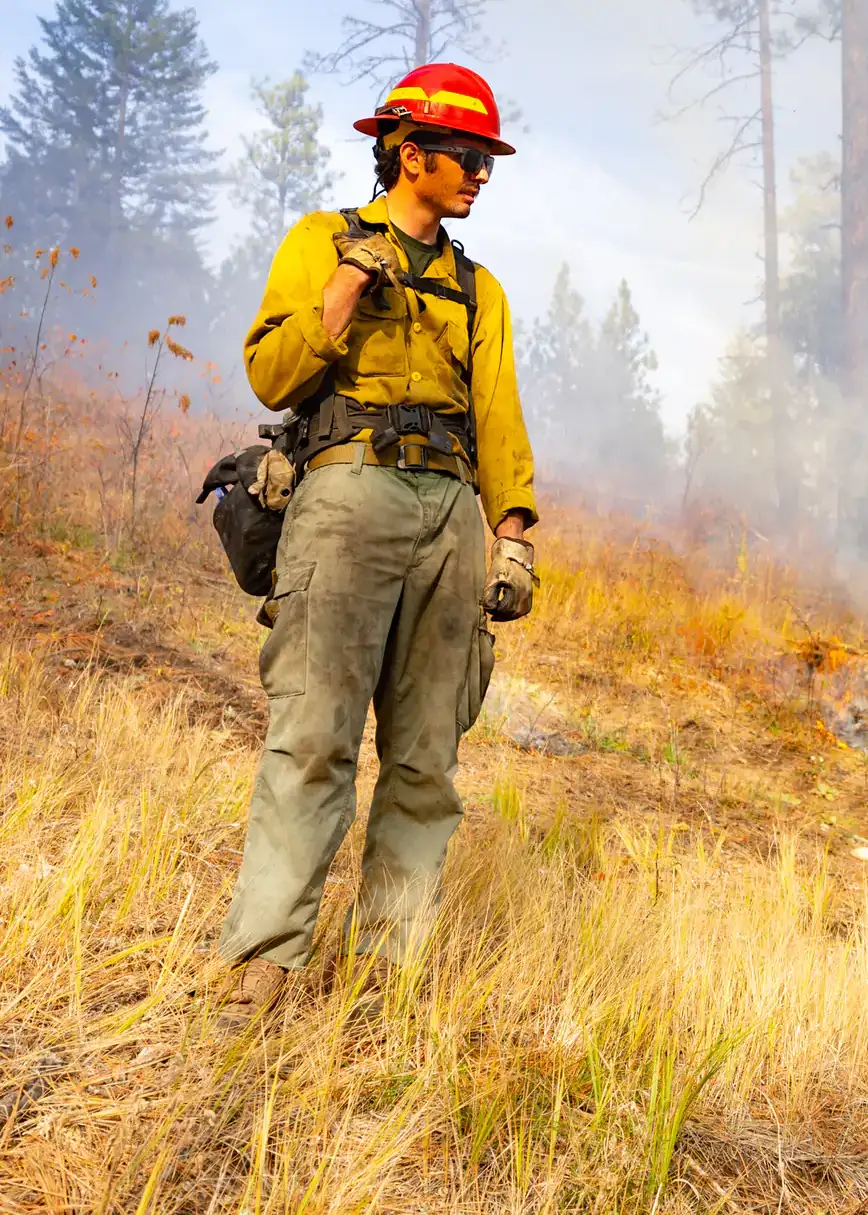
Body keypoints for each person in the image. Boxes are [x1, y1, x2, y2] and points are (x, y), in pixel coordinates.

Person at [211, 62, 538, 1027]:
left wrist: (510, 539)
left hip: (448, 515)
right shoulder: (323, 240)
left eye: (487, 158)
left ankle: (384, 979)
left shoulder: (481, 293)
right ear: (409, 152)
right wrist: (348, 286)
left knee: (427, 758)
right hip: (344, 496)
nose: (482, 173)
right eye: (467, 155)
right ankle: (262, 967)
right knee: (313, 737)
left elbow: (501, 421)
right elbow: (270, 373)